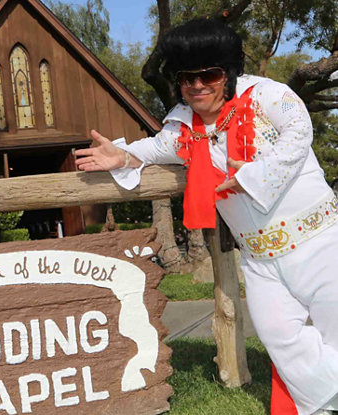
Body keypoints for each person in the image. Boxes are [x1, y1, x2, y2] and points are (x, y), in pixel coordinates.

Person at [75, 18, 338, 415]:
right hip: (261, 261)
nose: (197, 86)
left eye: (209, 75)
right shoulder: (183, 126)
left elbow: (299, 133)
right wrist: (122, 155)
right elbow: (151, 150)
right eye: (186, 78)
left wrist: (250, 178)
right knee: (280, 337)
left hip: (320, 242)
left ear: (228, 73)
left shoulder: (270, 95)